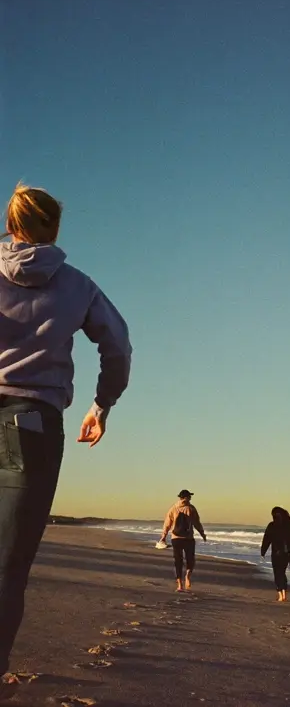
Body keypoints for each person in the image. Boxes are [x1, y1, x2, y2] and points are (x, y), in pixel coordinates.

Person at [0, 183, 132, 681]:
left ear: (11, 225)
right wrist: (102, 405)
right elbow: (118, 347)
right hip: (32, 425)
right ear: (54, 229)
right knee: (8, 565)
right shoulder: (78, 285)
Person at [160, 490, 206, 591]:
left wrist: (163, 536)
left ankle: (180, 585)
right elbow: (197, 523)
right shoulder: (191, 508)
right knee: (190, 560)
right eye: (189, 496)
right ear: (186, 497)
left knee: (178, 561)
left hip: (176, 538)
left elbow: (167, 524)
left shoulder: (173, 508)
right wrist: (202, 533)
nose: (190, 498)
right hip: (188, 538)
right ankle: (187, 576)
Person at [260, 507, 290, 602]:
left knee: (277, 573)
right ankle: (284, 594)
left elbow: (266, 539)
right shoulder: (287, 525)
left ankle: (280, 595)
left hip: (276, 554)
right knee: (282, 573)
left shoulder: (272, 525)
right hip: (286, 554)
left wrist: (263, 551)